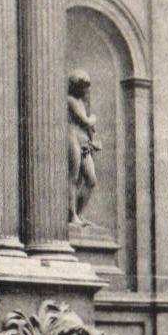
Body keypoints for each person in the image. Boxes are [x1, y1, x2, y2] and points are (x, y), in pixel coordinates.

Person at [67, 71, 101, 224]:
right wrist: (93, 118)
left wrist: (94, 140)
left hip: (84, 141)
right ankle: (72, 214)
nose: (86, 90)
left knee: (91, 180)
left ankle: (79, 213)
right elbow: (86, 121)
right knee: (73, 178)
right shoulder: (71, 100)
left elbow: (89, 128)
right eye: (83, 87)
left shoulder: (82, 102)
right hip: (72, 138)